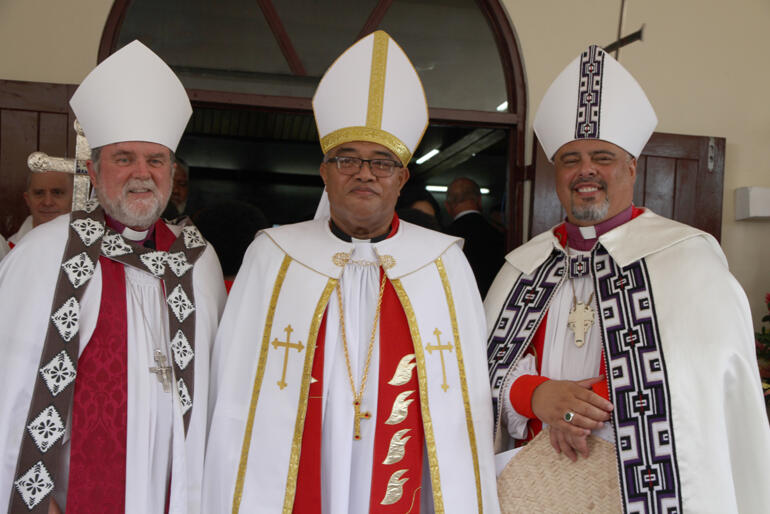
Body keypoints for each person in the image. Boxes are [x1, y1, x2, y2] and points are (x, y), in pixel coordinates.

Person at [203, 31, 499, 513]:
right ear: (324, 173)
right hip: (301, 465)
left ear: (401, 179)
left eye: (382, 163)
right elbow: (232, 393)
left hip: (399, 462)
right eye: (348, 160)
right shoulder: (274, 256)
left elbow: (460, 413)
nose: (365, 173)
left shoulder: (443, 262)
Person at [485, 45, 770, 512]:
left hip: (637, 491)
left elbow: (704, 378)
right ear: (556, 173)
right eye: (570, 159)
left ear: (632, 167)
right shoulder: (523, 265)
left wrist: (591, 401)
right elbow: (474, 370)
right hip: (530, 487)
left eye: (603, 156)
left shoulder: (687, 259)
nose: (586, 171)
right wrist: (533, 395)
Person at [0, 41, 226, 513]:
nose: (142, 174)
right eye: (124, 158)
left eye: (156, 160)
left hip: (176, 491)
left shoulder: (199, 262)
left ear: (171, 171)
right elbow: (10, 393)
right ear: (93, 170)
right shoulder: (47, 254)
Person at [445, 177, 505, 297]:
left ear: (447, 206)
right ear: (479, 200)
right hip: (492, 303)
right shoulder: (499, 234)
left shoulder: (444, 237)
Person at [8, 170, 73, 248]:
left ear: (74, 198)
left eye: (57, 193)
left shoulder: (87, 247)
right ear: (27, 199)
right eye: (39, 193)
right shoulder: (9, 251)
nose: (47, 202)